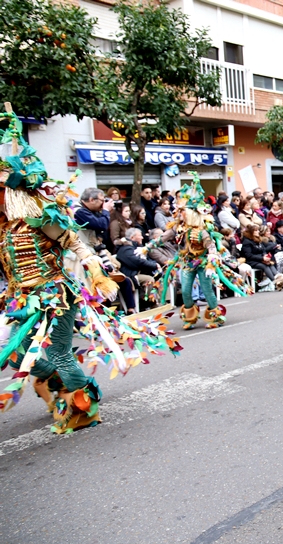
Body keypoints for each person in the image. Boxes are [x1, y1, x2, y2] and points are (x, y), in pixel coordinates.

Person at [0, 111, 178, 433]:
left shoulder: (43, 219)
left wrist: (95, 271)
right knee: (16, 354)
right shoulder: (5, 230)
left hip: (56, 296)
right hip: (23, 301)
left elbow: (78, 246)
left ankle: (85, 405)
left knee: (60, 352)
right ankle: (57, 377)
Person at [156, 174, 250, 329]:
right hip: (187, 261)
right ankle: (190, 318)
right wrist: (146, 248)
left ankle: (216, 316)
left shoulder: (202, 231)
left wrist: (212, 256)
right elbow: (163, 238)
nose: (180, 214)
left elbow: (210, 245)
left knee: (207, 289)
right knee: (186, 290)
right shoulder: (178, 228)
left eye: (183, 212)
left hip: (203, 262)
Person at [115, 227, 159, 313]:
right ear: (132, 238)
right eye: (140, 236)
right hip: (131, 275)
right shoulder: (125, 249)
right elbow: (137, 262)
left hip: (137, 273)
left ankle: (153, 302)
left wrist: (154, 265)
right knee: (149, 280)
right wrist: (154, 266)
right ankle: (148, 303)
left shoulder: (137, 247)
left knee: (158, 276)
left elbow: (147, 259)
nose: (142, 237)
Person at [240, 225, 281, 290]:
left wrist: (265, 256)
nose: (258, 231)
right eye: (256, 230)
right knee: (264, 266)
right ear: (251, 232)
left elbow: (263, 250)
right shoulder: (247, 242)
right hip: (252, 261)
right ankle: (276, 282)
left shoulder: (258, 239)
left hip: (260, 259)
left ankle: (279, 278)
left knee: (270, 263)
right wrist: (262, 258)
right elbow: (249, 255)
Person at [75, 187, 114, 252]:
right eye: (102, 201)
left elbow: (103, 229)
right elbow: (101, 225)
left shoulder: (90, 210)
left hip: (91, 248)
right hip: (82, 251)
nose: (103, 204)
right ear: (92, 200)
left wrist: (106, 212)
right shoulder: (78, 211)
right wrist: (106, 210)